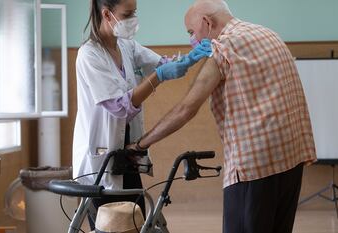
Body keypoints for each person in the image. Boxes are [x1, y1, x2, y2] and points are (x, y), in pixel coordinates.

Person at [128, 0, 317, 233]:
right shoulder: (269, 34)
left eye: (191, 32)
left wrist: (140, 144)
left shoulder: (224, 47)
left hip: (254, 169)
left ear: (207, 23)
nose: (192, 39)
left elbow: (186, 108)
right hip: (291, 160)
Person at [73, 0, 211, 229]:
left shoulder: (126, 46)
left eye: (134, 12)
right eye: (127, 14)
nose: (133, 18)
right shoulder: (89, 56)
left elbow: (164, 64)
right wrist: (158, 76)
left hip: (127, 155)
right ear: (107, 15)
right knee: (110, 225)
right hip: (100, 160)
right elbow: (118, 107)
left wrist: (190, 58)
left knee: (137, 221)